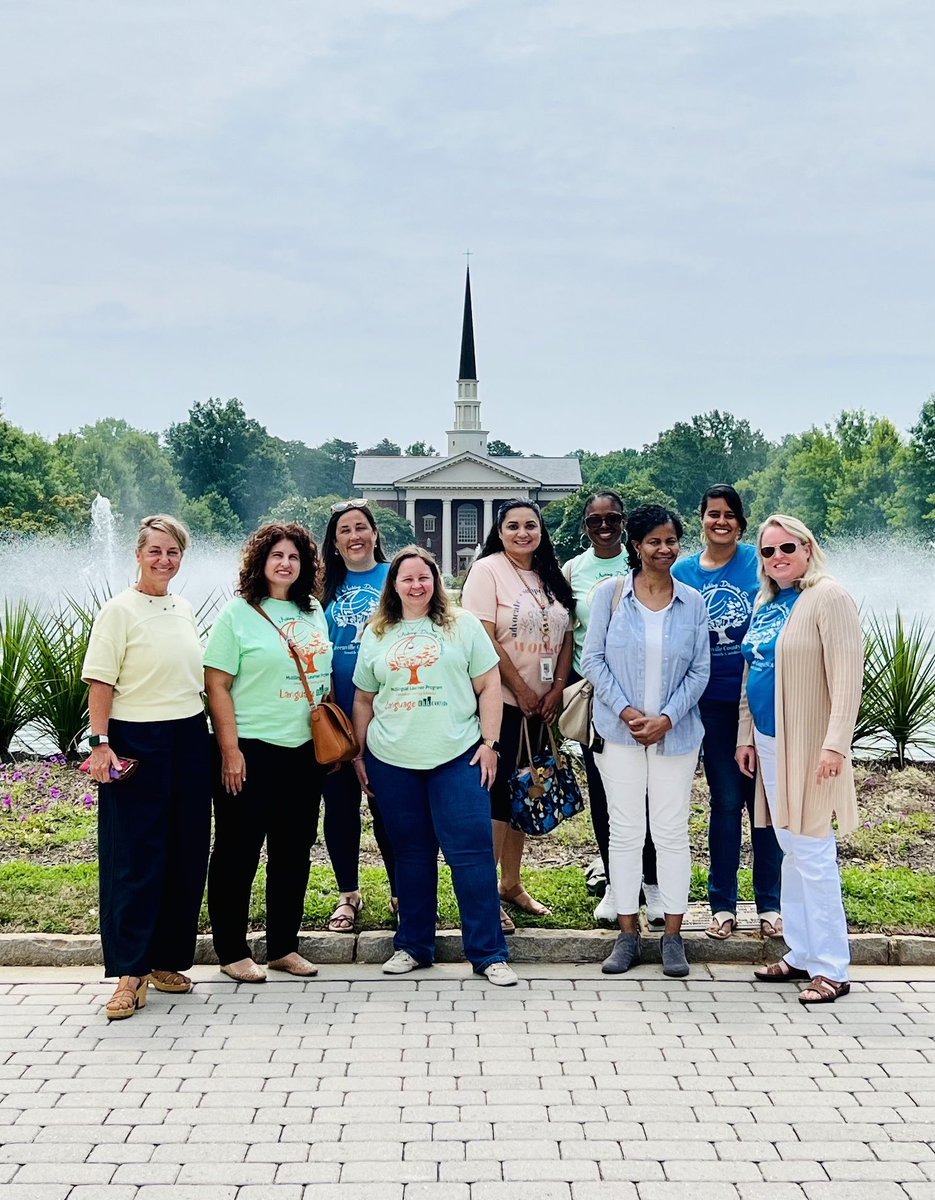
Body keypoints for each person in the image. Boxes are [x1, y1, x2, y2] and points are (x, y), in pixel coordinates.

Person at [351, 546, 516, 985]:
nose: (416, 585)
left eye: (424, 577)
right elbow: (364, 698)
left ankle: (487, 953)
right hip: (392, 760)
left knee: (472, 854)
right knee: (410, 855)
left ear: (436, 580)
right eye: (406, 579)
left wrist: (490, 744)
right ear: (394, 585)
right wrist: (360, 754)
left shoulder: (461, 624)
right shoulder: (378, 631)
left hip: (458, 755)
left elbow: (489, 684)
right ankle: (412, 945)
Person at [82, 514, 211, 1020]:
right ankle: (129, 974)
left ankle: (164, 962)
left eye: (173, 552)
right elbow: (100, 684)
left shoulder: (181, 608)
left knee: (184, 852)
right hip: (137, 740)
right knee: (135, 858)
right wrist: (100, 743)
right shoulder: (118, 611)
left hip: (187, 737)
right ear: (138, 554)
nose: (164, 560)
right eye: (155, 551)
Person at [737, 515, 862, 1005]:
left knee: (812, 851)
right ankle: (802, 950)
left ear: (807, 547)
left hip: (809, 744)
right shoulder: (768, 602)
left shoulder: (827, 597)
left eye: (786, 547)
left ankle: (833, 966)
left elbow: (848, 678)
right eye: (767, 552)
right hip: (769, 741)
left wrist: (836, 744)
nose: (777, 557)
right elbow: (754, 670)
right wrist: (746, 735)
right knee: (791, 847)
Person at [581, 504, 709, 978]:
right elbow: (593, 660)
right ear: (636, 545)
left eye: (671, 540)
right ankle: (628, 933)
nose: (664, 549)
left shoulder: (693, 601)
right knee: (626, 829)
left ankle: (674, 935)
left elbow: (701, 669)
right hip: (620, 733)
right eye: (654, 541)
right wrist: (631, 712)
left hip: (675, 736)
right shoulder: (610, 596)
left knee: (672, 832)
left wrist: (667, 717)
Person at [204, 522, 332, 982]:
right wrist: (230, 749)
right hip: (252, 749)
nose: (285, 563)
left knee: (294, 851)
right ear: (260, 562)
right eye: (276, 555)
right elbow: (216, 684)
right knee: (238, 851)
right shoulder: (237, 614)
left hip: (304, 751)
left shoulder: (314, 609)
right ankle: (232, 950)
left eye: (294, 557)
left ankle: (282, 946)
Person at [672, 485, 782, 940]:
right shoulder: (681, 571)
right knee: (727, 801)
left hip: (756, 702)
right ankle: (722, 904)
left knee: (767, 803)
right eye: (713, 514)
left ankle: (770, 905)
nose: (722, 522)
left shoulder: (760, 565)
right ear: (701, 518)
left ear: (741, 521)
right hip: (705, 705)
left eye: (730, 515)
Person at [461, 498, 575, 931]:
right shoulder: (487, 570)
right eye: (513, 526)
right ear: (501, 530)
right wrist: (522, 689)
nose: (523, 533)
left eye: (531, 525)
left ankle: (512, 883)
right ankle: (486, 896)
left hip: (543, 708)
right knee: (494, 799)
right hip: (503, 705)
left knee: (525, 792)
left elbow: (565, 634)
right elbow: (482, 638)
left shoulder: (550, 573)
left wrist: (557, 688)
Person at [562, 491, 662, 926]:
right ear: (585, 526)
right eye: (595, 521)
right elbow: (567, 634)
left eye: (613, 519)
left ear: (625, 526)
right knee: (606, 795)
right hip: (600, 697)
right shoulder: (573, 570)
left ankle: (654, 883)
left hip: (651, 698)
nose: (604, 527)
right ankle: (616, 883)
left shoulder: (639, 561)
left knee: (652, 794)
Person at [320, 499, 397, 932]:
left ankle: (400, 890)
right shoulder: (321, 587)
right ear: (335, 542)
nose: (355, 536)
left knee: (388, 807)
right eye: (345, 530)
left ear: (374, 533)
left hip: (388, 714)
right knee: (341, 808)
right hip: (336, 716)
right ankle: (348, 895)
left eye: (361, 527)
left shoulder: (394, 577)